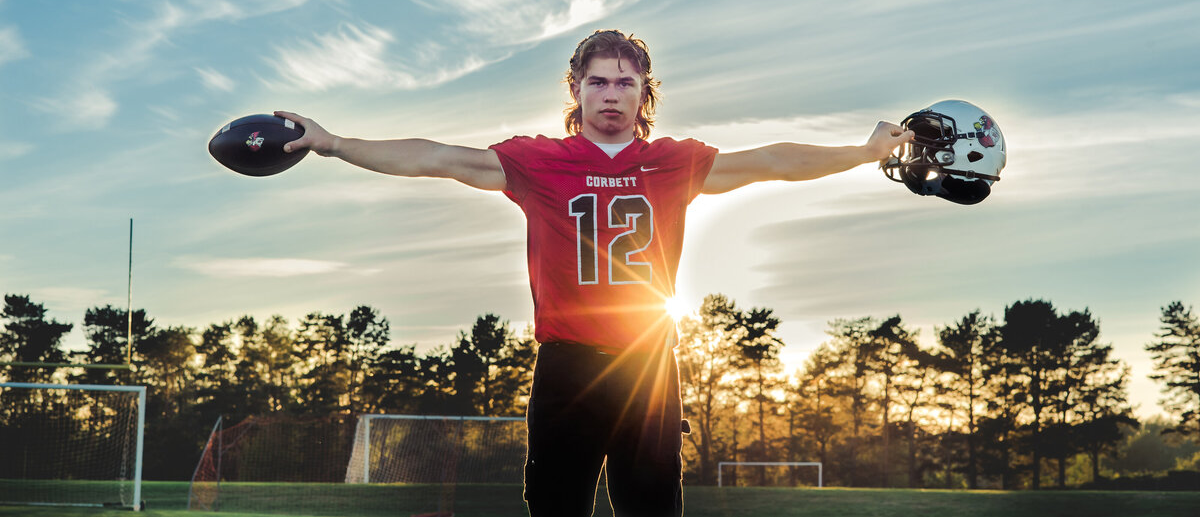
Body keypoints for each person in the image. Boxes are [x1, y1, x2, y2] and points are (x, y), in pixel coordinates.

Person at [277, 28, 912, 517]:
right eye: (599, 83)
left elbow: (772, 160)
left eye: (625, 83)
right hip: (568, 365)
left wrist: (862, 153)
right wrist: (334, 144)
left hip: (648, 366)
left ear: (645, 93)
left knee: (653, 510)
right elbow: (438, 158)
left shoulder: (673, 162)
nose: (612, 94)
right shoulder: (539, 162)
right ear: (577, 91)